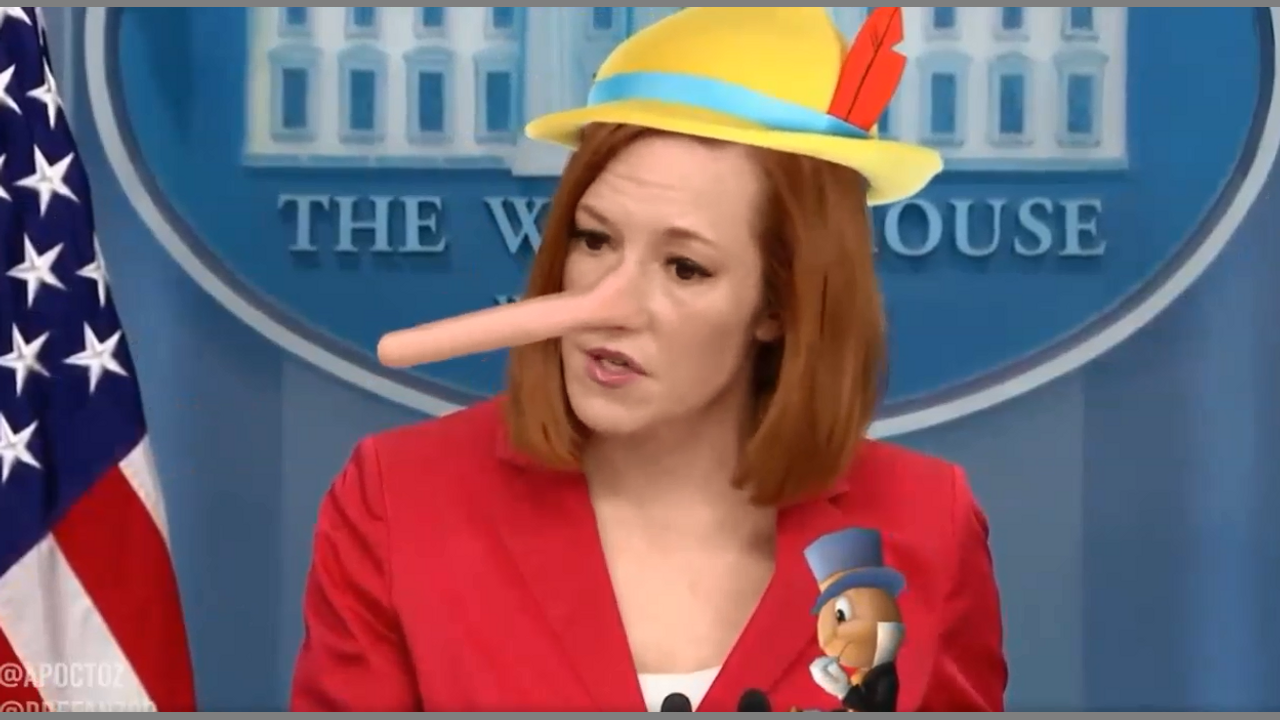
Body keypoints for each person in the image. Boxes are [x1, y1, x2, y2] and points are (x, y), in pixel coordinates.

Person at [289, 7, 1007, 713]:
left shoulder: (927, 523)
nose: (609, 305)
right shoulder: (402, 501)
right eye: (595, 240)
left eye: (685, 268)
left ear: (780, 304)